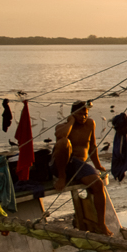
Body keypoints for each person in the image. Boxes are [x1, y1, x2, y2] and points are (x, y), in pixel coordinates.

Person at [53, 101, 113, 236]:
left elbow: (92, 146)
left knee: (98, 184)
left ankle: (101, 224)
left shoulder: (90, 124)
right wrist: (71, 121)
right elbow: (61, 136)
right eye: (80, 114)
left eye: (85, 114)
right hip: (62, 163)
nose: (83, 117)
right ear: (73, 114)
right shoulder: (62, 127)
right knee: (64, 142)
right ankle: (62, 177)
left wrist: (98, 166)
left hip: (79, 165)